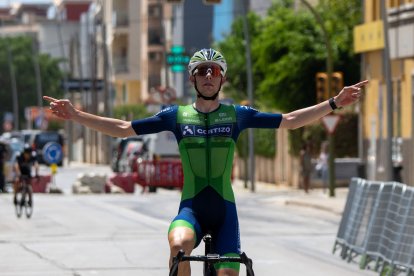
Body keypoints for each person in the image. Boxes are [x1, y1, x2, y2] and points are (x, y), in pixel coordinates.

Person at [44, 48, 368, 276]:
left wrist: (334, 102)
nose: (208, 76)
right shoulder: (176, 116)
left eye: (214, 71)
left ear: (222, 79)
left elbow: (289, 120)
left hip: (225, 210)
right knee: (179, 244)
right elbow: (123, 128)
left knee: (229, 272)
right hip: (193, 208)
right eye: (202, 71)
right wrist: (76, 115)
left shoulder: (237, 115)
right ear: (193, 79)